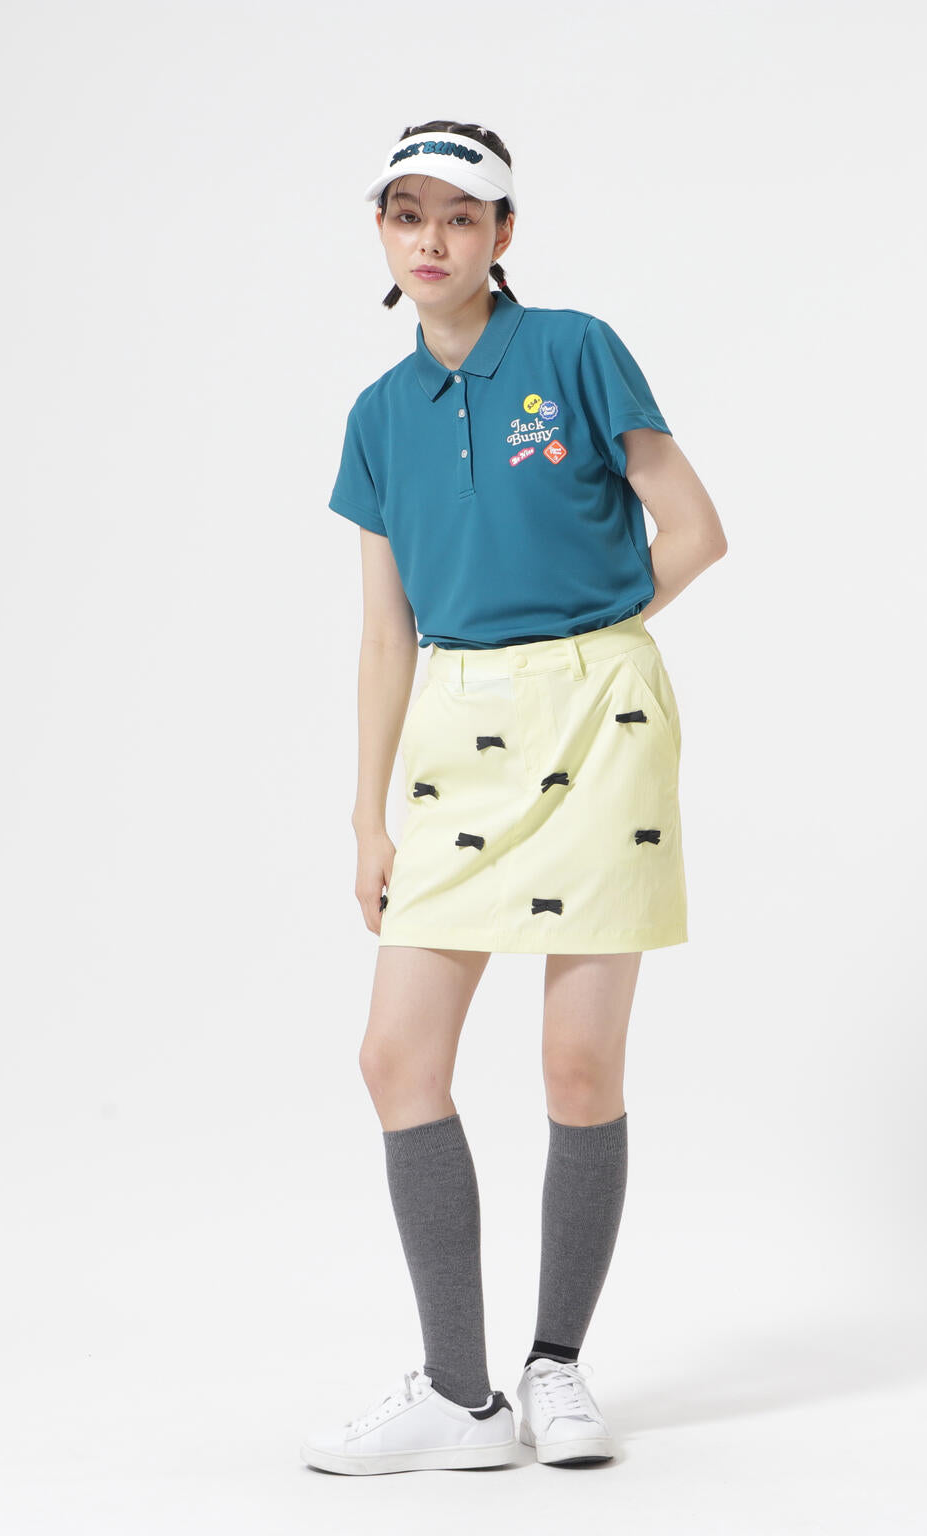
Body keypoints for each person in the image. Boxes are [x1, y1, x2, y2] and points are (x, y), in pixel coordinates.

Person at [300, 119, 727, 1477]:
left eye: (460, 216)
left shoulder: (576, 350)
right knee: (396, 1057)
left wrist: (590, 636)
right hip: (459, 723)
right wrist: (366, 818)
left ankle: (554, 1367)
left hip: (602, 719)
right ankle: (462, 1397)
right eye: (407, 214)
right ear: (382, 232)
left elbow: (696, 529)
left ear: (503, 234)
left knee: (578, 1064)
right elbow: (385, 637)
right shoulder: (378, 417)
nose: (431, 239)